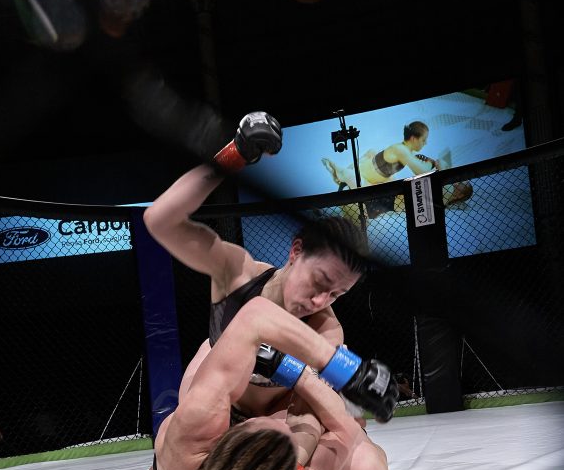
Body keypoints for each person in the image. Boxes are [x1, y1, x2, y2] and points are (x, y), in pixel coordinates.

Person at [144, 112, 373, 428]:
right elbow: (159, 220)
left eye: (337, 294)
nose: (321, 301)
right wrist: (234, 155)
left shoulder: (326, 329)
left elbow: (336, 390)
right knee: (182, 426)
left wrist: (355, 380)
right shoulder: (238, 273)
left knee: (354, 445)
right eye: (320, 282)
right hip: (216, 401)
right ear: (296, 251)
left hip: (274, 413)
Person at [145, 296, 393, 470]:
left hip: (230, 379)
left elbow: (253, 315)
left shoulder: (190, 439)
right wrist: (337, 371)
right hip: (285, 391)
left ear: (236, 431)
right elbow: (342, 428)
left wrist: (283, 361)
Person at [321, 120, 472, 219]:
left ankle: (341, 175)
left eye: (461, 184)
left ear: (460, 194)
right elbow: (435, 171)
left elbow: (441, 168)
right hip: (392, 193)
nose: (458, 182)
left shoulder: (446, 194)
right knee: (371, 154)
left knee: (353, 177)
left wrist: (436, 164)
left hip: (382, 202)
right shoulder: (442, 190)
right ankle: (342, 177)